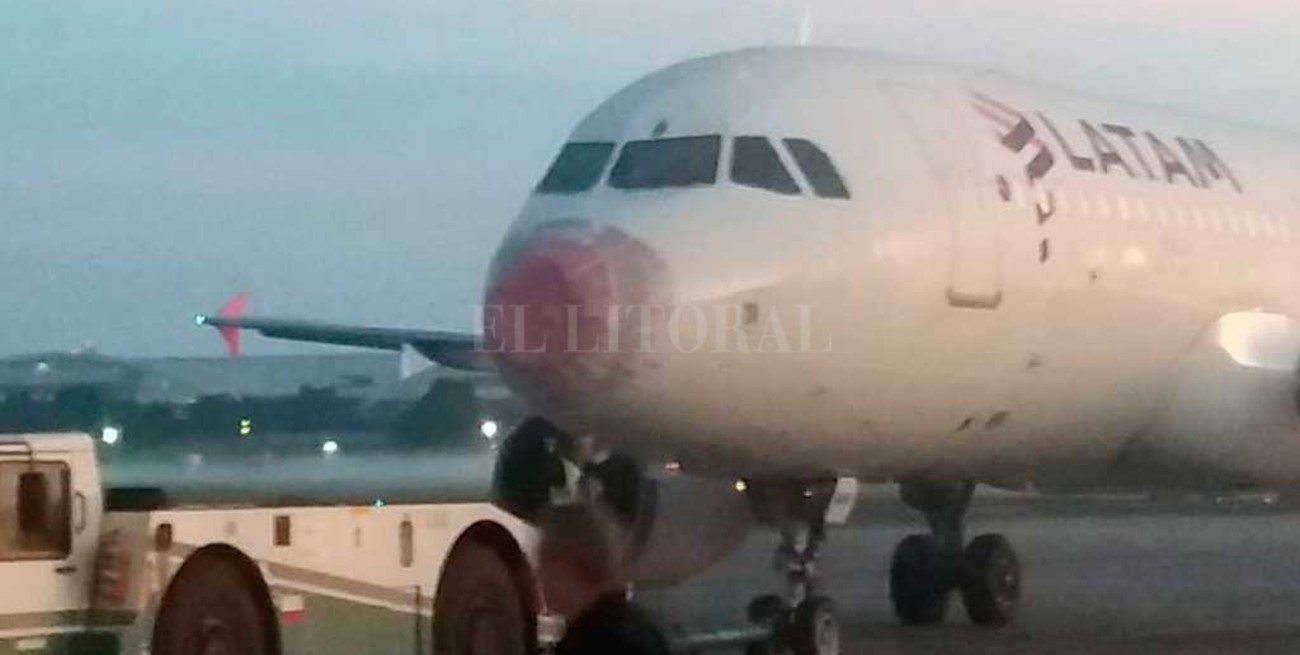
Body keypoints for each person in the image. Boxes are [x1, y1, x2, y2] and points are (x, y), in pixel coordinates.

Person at [537, 504, 670, 655]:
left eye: (545, 561)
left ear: (576, 561)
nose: (539, 575)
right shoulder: (644, 631)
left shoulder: (589, 642)